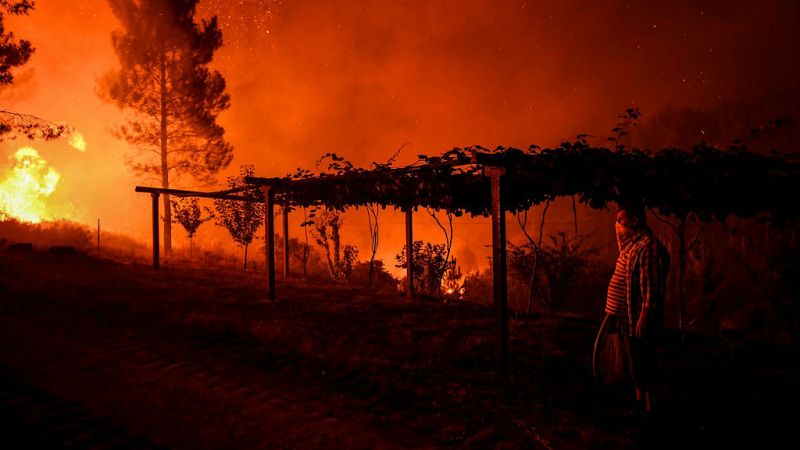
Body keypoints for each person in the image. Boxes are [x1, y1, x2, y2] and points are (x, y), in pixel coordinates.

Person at [599, 204, 670, 414]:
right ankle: (640, 405)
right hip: (627, 317)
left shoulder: (647, 247)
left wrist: (644, 316)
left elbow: (651, 286)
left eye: (621, 220)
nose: (617, 225)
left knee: (644, 363)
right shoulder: (632, 246)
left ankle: (651, 410)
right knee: (635, 364)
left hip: (639, 318)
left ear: (635, 220)